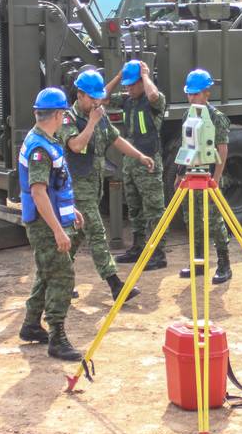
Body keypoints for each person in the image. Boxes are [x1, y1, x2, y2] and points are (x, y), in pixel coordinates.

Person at [59, 69, 157, 301]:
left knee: (75, 239)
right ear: (80, 95)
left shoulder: (98, 115)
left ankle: (59, 280)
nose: (96, 102)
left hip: (94, 187)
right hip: (77, 189)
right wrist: (91, 122)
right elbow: (75, 145)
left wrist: (139, 156)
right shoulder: (68, 119)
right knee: (97, 234)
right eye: (92, 98)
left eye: (98, 98)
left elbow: (116, 139)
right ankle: (116, 286)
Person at [17, 87, 86, 361]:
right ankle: (57, 336)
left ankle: (31, 325)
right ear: (58, 115)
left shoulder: (45, 140)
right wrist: (58, 230)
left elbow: (56, 187)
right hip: (45, 226)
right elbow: (38, 191)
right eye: (63, 115)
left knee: (47, 272)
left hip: (51, 219)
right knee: (62, 276)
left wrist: (71, 213)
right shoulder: (40, 148)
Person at [109, 60, 170, 270]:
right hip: (130, 163)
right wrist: (119, 76)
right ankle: (138, 247)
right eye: (126, 85)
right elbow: (101, 97)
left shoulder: (154, 101)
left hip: (149, 163)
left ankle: (159, 254)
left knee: (154, 209)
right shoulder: (127, 100)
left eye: (131, 84)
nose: (128, 88)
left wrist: (145, 76)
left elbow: (154, 96)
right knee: (135, 208)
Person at [176, 68, 233, 285]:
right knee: (192, 219)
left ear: (206, 93)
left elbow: (222, 149)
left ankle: (224, 264)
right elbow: (187, 145)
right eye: (189, 94)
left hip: (209, 174)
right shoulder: (188, 114)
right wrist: (180, 174)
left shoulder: (216, 118)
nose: (191, 98)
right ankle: (198, 263)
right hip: (192, 175)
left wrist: (216, 179)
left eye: (195, 94)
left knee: (214, 220)